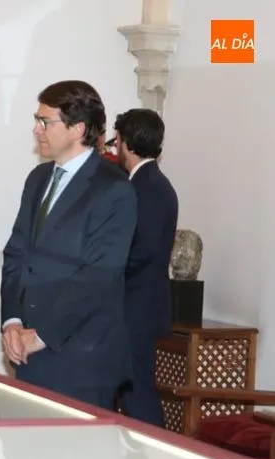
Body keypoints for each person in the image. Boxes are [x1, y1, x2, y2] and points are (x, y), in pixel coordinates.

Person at [0, 80, 137, 409]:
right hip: (28, 352)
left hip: (81, 360)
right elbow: (17, 254)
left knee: (74, 458)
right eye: (37, 119)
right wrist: (12, 322)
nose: (37, 130)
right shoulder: (38, 179)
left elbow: (98, 276)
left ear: (77, 129)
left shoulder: (114, 189)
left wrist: (43, 334)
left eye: (45, 122)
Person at [113, 108, 178, 427]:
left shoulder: (147, 187)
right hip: (139, 304)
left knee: (139, 392)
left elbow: (145, 251)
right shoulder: (148, 183)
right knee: (129, 388)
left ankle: (156, 458)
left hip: (137, 305)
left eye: (116, 141)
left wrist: (108, 269)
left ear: (126, 143)